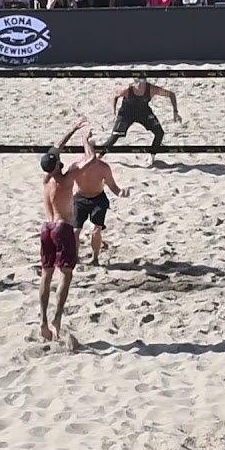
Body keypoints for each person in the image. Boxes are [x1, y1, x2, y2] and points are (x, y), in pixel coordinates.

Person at [38, 118, 95, 341]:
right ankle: (57, 317)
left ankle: (42, 320)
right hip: (62, 228)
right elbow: (90, 159)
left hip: (46, 227)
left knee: (46, 275)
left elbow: (56, 148)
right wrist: (85, 139)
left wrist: (72, 128)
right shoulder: (66, 179)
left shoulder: (46, 180)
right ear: (57, 165)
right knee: (66, 276)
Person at [100, 74, 181, 164]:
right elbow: (115, 97)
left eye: (142, 82)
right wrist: (113, 112)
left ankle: (152, 155)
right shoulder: (127, 90)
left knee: (159, 132)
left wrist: (175, 112)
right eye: (137, 82)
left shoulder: (152, 89)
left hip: (143, 112)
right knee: (115, 136)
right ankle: (99, 155)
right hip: (126, 113)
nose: (139, 85)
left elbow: (171, 94)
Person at [71, 145, 130, 266]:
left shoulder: (103, 167)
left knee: (96, 230)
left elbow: (113, 186)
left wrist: (121, 193)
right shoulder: (76, 166)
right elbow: (65, 184)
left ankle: (95, 258)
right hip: (80, 199)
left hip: (98, 199)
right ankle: (75, 257)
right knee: (76, 230)